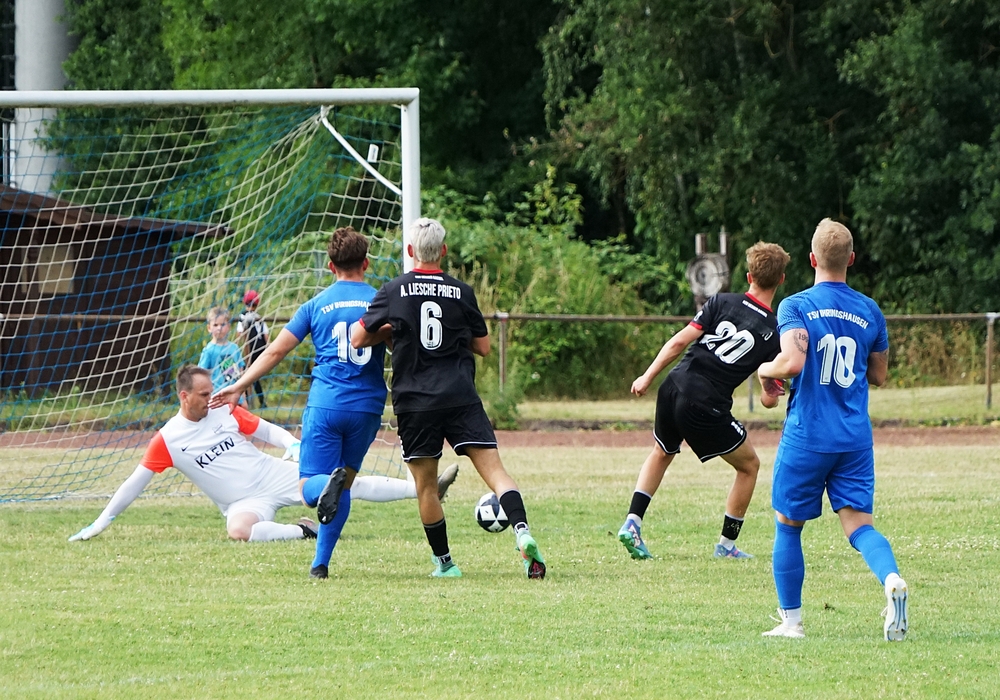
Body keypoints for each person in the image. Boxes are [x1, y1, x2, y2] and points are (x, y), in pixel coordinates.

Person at [210, 227, 455, 580]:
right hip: (367, 407)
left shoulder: (316, 304)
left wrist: (239, 386)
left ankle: (324, 502)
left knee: (310, 488)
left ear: (330, 266)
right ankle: (319, 564)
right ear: (366, 263)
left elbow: (276, 351)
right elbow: (403, 350)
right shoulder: (381, 301)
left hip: (327, 404)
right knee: (344, 483)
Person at [352, 217, 546, 580]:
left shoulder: (393, 290)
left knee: (426, 487)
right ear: (443, 251)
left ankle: (445, 564)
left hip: (415, 401)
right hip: (460, 396)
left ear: (410, 251)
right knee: (497, 473)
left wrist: (396, 330)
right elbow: (484, 347)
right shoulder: (462, 291)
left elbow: (358, 338)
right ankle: (522, 532)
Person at [70, 366, 452, 543]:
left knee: (346, 483)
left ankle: (425, 488)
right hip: (243, 503)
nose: (211, 397)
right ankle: (303, 531)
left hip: (274, 475)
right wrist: (100, 523)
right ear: (184, 397)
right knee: (238, 531)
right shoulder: (167, 440)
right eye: (204, 394)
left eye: (212, 392)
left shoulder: (224, 409)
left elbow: (265, 430)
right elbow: (134, 483)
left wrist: (291, 445)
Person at [756, 218, 907, 641]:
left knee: (788, 524)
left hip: (808, 434)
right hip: (854, 438)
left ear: (811, 259)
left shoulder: (795, 305)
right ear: (851, 260)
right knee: (859, 525)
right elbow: (879, 375)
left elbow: (792, 363)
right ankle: (891, 579)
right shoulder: (870, 310)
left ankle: (792, 622)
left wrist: (763, 371)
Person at [618, 242, 790, 561]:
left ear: (749, 276)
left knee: (662, 451)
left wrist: (647, 376)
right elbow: (768, 399)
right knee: (749, 466)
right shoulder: (775, 332)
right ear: (781, 280)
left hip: (673, 385)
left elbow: (679, 342)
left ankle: (632, 522)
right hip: (704, 402)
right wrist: (772, 391)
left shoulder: (721, 301)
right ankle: (726, 546)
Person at [236, 289, 270, 408]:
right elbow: (266, 336)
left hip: (250, 350)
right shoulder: (259, 317)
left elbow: (239, 334)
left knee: (247, 375)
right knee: (253, 375)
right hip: (261, 349)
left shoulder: (242, 317)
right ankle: (259, 401)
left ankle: (247, 401)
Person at [198, 307, 244, 393]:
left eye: (222, 325)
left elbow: (240, 373)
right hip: (217, 396)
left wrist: (243, 396)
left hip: (235, 395)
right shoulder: (208, 350)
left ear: (229, 326)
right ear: (209, 328)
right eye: (215, 325)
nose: (219, 328)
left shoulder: (234, 348)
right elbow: (201, 374)